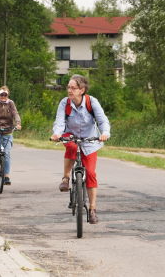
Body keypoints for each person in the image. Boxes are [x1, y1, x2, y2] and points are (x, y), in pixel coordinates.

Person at [51, 74, 110, 224]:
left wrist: (104, 134)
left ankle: (92, 209)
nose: (69, 90)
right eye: (68, 87)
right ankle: (65, 178)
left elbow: (103, 120)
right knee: (71, 145)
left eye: (73, 88)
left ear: (82, 90)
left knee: (90, 173)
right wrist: (57, 133)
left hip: (90, 140)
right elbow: (59, 121)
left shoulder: (92, 102)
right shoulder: (65, 103)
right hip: (71, 135)